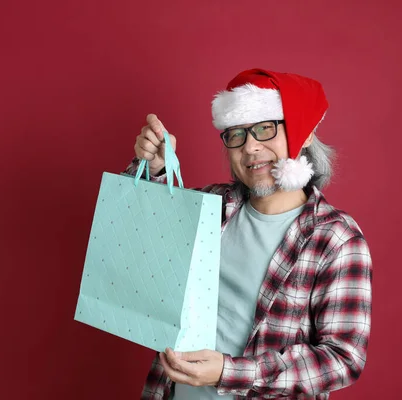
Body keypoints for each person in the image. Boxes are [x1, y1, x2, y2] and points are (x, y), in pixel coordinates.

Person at [126, 68, 373, 399]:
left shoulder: (336, 239)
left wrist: (229, 373)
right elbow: (143, 239)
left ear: (305, 134)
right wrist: (155, 168)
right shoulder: (212, 208)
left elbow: (344, 358)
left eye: (265, 129)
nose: (251, 147)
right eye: (237, 134)